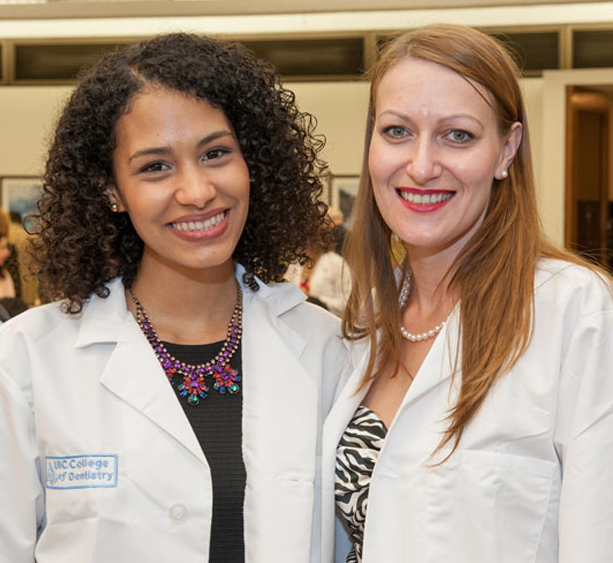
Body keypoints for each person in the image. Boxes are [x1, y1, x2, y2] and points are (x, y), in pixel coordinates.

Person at [0, 33, 350, 563]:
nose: (197, 190)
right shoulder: (27, 358)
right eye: (155, 167)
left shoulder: (328, 351)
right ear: (110, 190)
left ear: (251, 161)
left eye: (215, 154)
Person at [322, 24, 613, 563]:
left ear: (507, 149)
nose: (422, 165)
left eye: (458, 135)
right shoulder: (368, 323)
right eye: (396, 131)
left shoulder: (576, 312)